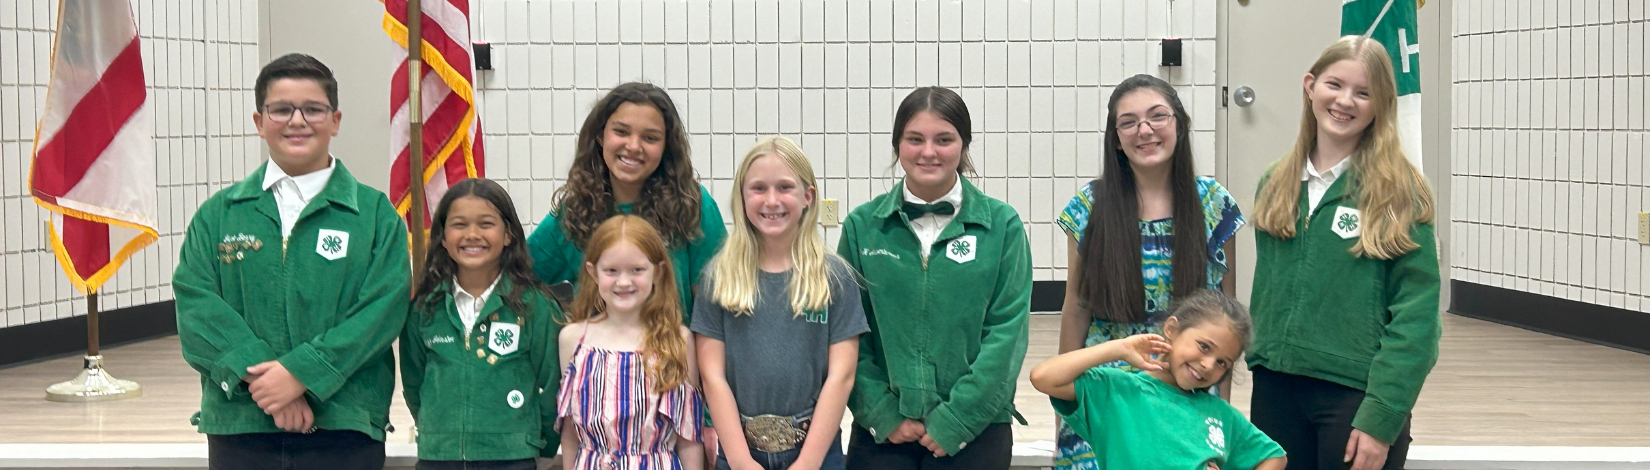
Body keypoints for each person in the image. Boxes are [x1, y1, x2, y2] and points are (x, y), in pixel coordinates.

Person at [174, 53, 408, 469]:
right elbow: (196, 305)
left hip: (344, 423)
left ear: (335, 121)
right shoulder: (219, 213)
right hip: (241, 422)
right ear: (259, 121)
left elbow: (382, 310)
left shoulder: (374, 216)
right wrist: (266, 381)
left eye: (313, 109)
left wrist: (301, 374)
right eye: (281, 109)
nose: (297, 121)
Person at [1247, 36, 1441, 470]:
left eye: (1364, 92)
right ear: (1310, 86)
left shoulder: (1400, 193)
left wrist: (1382, 418)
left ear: (1381, 106)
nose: (1345, 101)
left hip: (1355, 399)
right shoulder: (1274, 182)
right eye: (1335, 85)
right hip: (1276, 390)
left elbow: (1418, 319)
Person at [1052, 73, 1245, 469]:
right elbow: (1076, 308)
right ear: (1116, 138)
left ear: (1180, 123)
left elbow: (1226, 323)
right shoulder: (1089, 207)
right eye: (1129, 122)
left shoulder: (1214, 204)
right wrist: (1065, 412)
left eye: (1158, 116)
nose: (1145, 130)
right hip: (1107, 393)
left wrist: (1217, 421)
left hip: (1186, 393)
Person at [837, 87, 1032, 470]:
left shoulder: (1002, 226)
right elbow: (848, 332)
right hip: (884, 429)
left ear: (964, 145)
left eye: (944, 139)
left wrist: (958, 419)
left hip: (975, 427)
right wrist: (880, 411)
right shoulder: (863, 226)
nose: (929, 152)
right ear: (897, 145)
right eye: (915, 139)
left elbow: (1007, 335)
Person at [694, 137, 868, 470]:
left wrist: (808, 463)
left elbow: (841, 376)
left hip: (816, 452)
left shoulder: (835, 278)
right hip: (739, 451)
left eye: (785, 187)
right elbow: (712, 376)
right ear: (742, 197)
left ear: (808, 196)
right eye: (758, 188)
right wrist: (742, 460)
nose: (771, 200)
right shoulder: (719, 278)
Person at [527, 82, 727, 322]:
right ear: (600, 135)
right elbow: (520, 275)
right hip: (598, 357)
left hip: (674, 355)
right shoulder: (575, 210)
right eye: (621, 132)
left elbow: (715, 308)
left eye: (650, 137)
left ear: (666, 147)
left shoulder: (693, 205)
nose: (633, 146)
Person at [400, 178, 564, 469]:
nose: (472, 234)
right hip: (439, 458)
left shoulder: (534, 306)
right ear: (442, 236)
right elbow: (415, 384)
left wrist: (541, 446)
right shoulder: (424, 308)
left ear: (508, 234)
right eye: (459, 225)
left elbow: (555, 384)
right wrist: (438, 435)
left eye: (486, 224)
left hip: (512, 458)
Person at [1031, 291, 1287, 470]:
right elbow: (1044, 378)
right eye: (1204, 346)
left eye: (1223, 362)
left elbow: (1275, 457)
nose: (1209, 364)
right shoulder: (1117, 390)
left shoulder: (1220, 414)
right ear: (1172, 329)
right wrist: (1117, 348)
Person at [557, 215, 707, 470]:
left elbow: (689, 435)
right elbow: (571, 430)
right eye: (611, 271)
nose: (623, 281)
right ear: (593, 273)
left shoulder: (678, 340)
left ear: (658, 272)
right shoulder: (573, 339)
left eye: (637, 270)